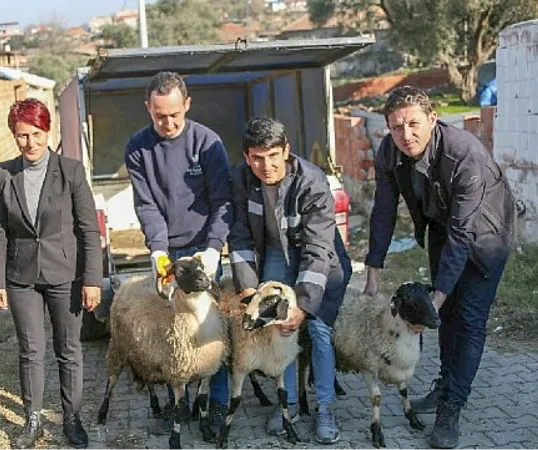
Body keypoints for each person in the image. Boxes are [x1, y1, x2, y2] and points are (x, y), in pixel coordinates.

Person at [364, 86, 516, 449]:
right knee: (445, 318)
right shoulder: (390, 151)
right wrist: (373, 271)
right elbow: (383, 210)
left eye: (414, 124)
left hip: (485, 234)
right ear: (388, 127)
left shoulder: (464, 153)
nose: (406, 135)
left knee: (469, 319)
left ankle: (452, 406)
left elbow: (464, 233)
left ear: (433, 119)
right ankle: (444, 385)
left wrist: (438, 296)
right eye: (397, 127)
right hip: (442, 229)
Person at [228, 117, 352, 445]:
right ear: (246, 157)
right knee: (280, 331)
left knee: (317, 330)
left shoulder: (312, 181)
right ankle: (290, 403)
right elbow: (239, 234)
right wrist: (249, 287)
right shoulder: (240, 179)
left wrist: (305, 305)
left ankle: (325, 407)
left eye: (272, 156)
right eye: (256, 157)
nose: (265, 165)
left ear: (286, 151)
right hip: (274, 253)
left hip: (320, 261)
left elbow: (318, 248)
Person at [0, 98, 102, 449]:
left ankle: (71, 418)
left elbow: (89, 230)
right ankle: (32, 420)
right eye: (22, 136)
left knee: (68, 349)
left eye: (36, 134)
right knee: (30, 350)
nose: (30, 143)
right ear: (14, 136)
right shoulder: (4, 174)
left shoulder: (70, 171)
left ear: (47, 131)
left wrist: (93, 279)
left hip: (66, 274)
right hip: (21, 277)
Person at [124, 71, 232, 437]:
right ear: (147, 109)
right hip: (168, 252)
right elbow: (147, 205)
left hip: (203, 252)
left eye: (174, 115)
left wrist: (214, 249)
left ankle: (216, 405)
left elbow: (222, 202)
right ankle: (179, 402)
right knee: (172, 332)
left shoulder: (208, 143)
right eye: (159, 116)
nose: (167, 124)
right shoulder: (138, 148)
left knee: (211, 332)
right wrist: (157, 251)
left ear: (187, 104)